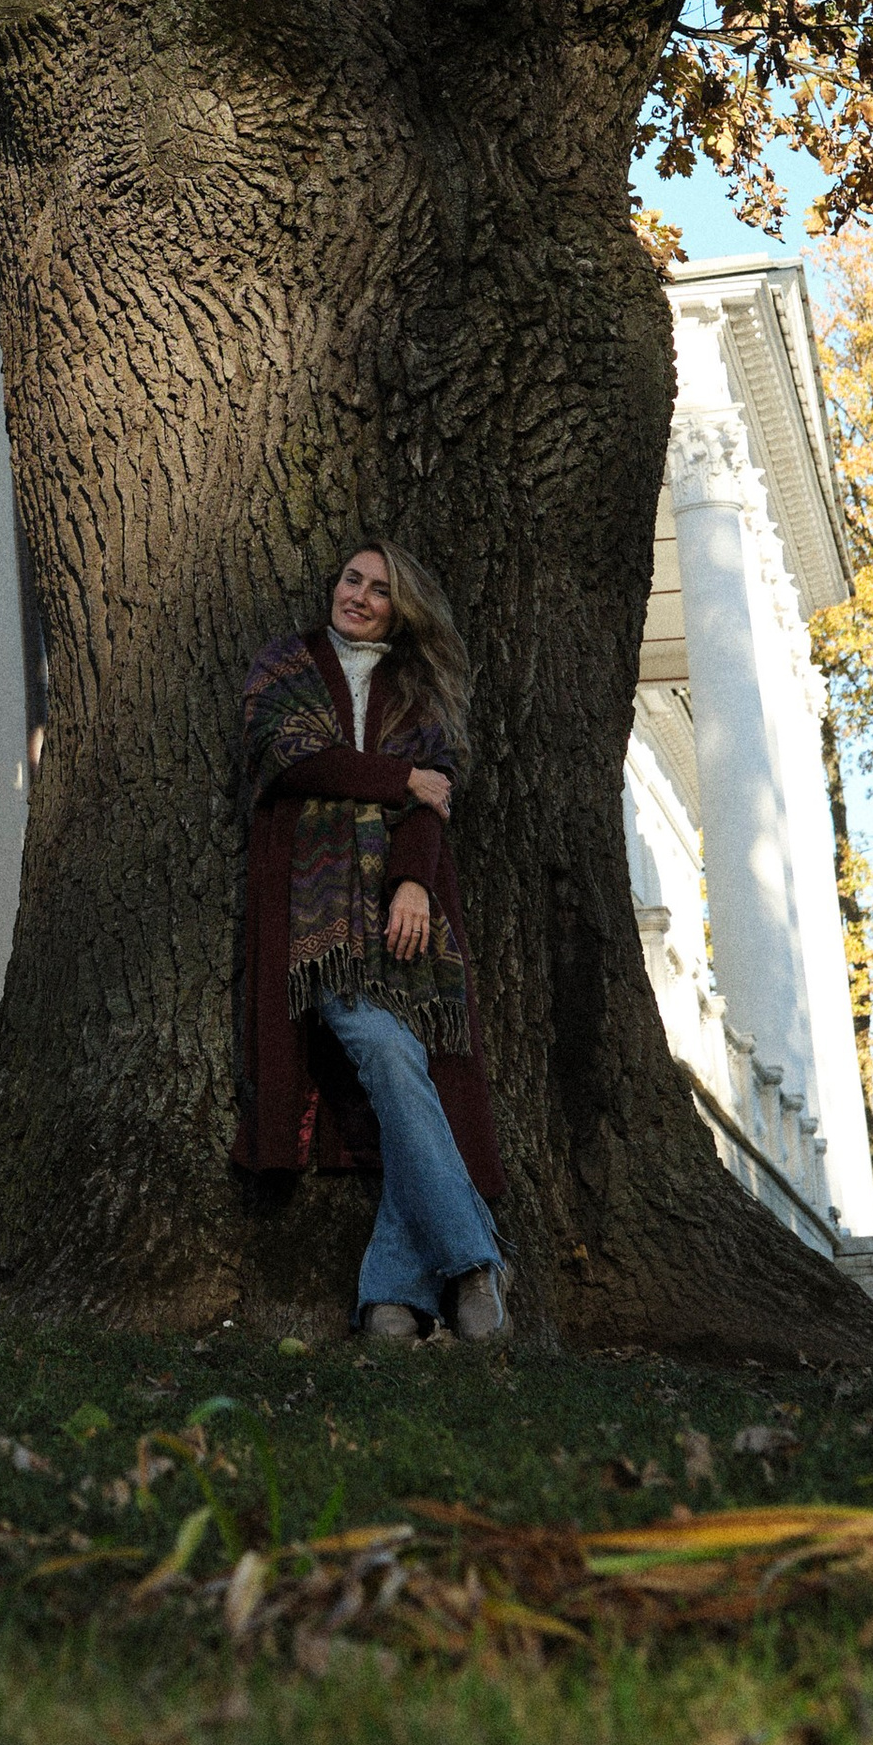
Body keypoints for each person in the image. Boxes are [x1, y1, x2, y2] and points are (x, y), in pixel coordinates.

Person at [233, 540, 507, 1346]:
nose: (358, 596)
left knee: (413, 1072)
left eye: (379, 589)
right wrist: (395, 781)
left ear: (401, 609)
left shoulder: (422, 691)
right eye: (352, 579)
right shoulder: (281, 669)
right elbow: (288, 762)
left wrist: (414, 882)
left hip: (405, 911)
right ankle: (475, 1258)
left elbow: (436, 801)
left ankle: (392, 1296)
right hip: (315, 920)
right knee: (389, 1054)